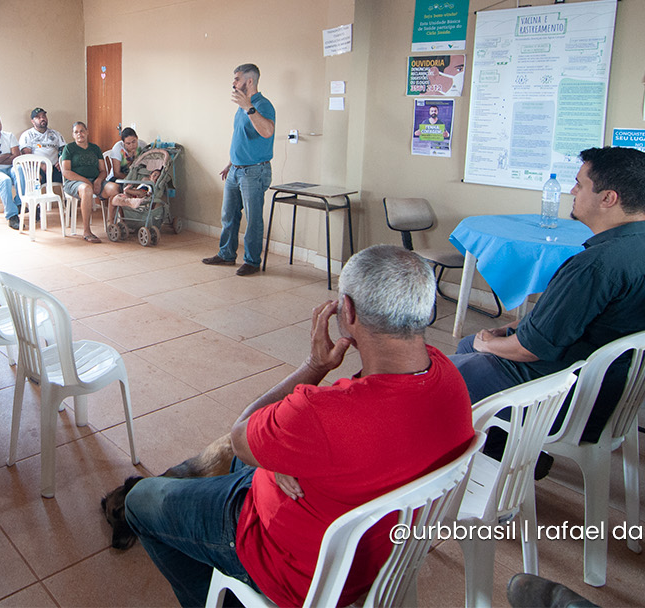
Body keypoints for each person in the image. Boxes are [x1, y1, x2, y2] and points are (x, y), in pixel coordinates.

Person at [125, 245, 474, 607]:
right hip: (381, 553)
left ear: (348, 311)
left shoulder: (322, 413)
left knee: (140, 500)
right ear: (425, 309)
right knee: (249, 459)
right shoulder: (447, 375)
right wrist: (281, 459)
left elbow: (240, 435)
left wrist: (314, 364)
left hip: (289, 564)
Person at [451, 146, 645, 439]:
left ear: (608, 198)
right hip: (611, 387)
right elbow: (570, 318)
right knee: (467, 347)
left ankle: (505, 454)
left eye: (580, 184)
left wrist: (488, 344)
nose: (573, 191)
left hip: (566, 397)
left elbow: (529, 349)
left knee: (439, 377)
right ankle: (501, 446)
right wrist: (509, 330)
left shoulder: (596, 265)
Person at [202, 63, 275, 277]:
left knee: (253, 219)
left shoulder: (262, 105)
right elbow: (241, 138)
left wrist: (249, 108)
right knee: (229, 214)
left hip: (255, 172)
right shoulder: (241, 107)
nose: (233, 83)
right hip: (236, 169)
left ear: (249, 81)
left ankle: (252, 261)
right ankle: (226, 254)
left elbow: (268, 131)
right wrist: (231, 162)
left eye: (237, 79)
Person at [60, 121, 118, 243]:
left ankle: (111, 224)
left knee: (114, 188)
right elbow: (66, 172)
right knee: (86, 189)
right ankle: (87, 231)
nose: (79, 134)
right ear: (73, 135)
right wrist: (86, 181)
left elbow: (103, 171)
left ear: (87, 132)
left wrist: (98, 181)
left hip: (95, 181)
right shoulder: (69, 148)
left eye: (82, 131)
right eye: (76, 132)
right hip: (74, 182)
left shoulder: (95, 148)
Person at [17, 107, 64, 182]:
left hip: (55, 166)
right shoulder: (27, 135)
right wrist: (41, 165)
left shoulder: (56, 134)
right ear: (32, 121)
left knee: (68, 172)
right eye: (38, 117)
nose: (42, 119)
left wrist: (62, 161)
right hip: (36, 167)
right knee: (35, 178)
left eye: (43, 116)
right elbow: (26, 156)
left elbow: (64, 150)